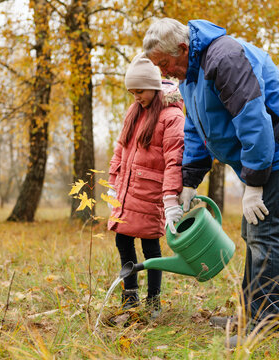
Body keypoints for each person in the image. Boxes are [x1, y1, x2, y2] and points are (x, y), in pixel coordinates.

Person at [143, 19, 279, 346]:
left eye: (165, 65)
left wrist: (254, 184)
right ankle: (249, 315)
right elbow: (195, 129)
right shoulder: (190, 75)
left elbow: (254, 122)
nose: (165, 74)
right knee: (253, 231)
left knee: (265, 230)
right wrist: (189, 182)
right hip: (263, 150)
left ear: (182, 49)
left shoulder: (224, 58)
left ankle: (264, 327)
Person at [107, 53, 185, 319]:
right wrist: (112, 182)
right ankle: (130, 296)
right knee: (123, 239)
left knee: (151, 246)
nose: (136, 97)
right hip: (128, 191)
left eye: (139, 91)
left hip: (153, 193)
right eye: (132, 92)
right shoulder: (134, 111)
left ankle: (154, 300)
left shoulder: (171, 116)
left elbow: (175, 159)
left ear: (153, 86)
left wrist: (171, 197)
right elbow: (121, 148)